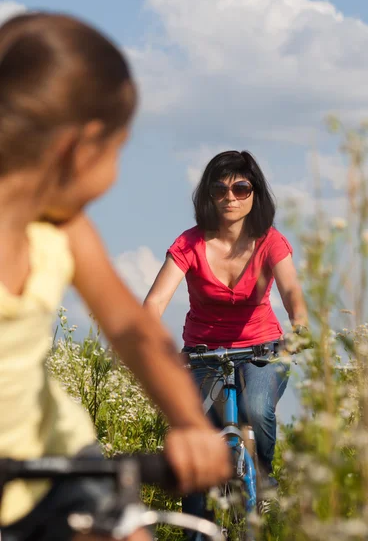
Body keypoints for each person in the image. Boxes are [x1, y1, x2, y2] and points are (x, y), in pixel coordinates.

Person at [0, 12, 231, 541]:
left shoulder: (62, 228)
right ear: (77, 149)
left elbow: (133, 329)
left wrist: (192, 424)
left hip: (58, 465)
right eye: (118, 150)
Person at [144, 150, 308, 523]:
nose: (230, 197)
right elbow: (154, 303)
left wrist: (300, 329)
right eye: (220, 189)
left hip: (262, 349)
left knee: (255, 409)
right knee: (197, 442)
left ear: (255, 194)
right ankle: (197, 529)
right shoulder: (189, 244)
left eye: (241, 187)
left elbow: (293, 297)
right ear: (208, 195)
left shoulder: (270, 242)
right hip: (201, 353)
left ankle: (265, 483)